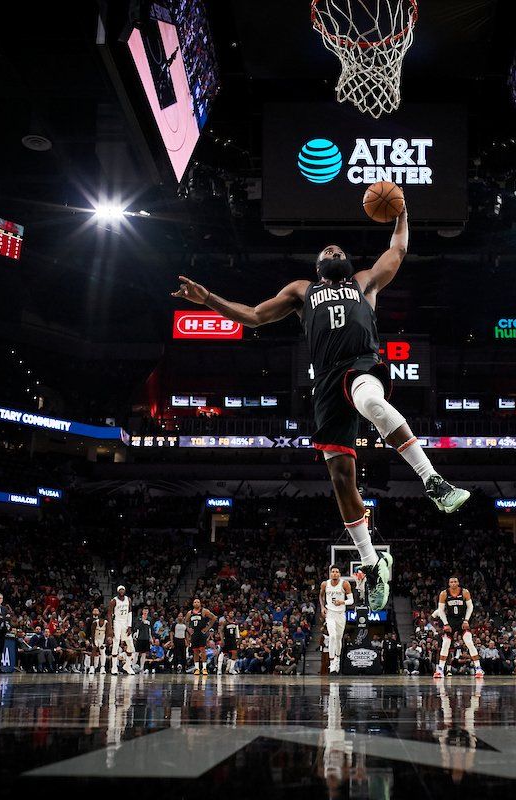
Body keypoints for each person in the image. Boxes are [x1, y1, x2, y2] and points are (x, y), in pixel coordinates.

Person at [171, 208, 470, 611]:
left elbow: (397, 250)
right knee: (342, 478)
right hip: (326, 382)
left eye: (338, 248)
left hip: (362, 365)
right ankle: (372, 561)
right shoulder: (302, 291)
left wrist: (401, 213)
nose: (333, 249)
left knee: (371, 401)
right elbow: (255, 316)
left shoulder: (364, 283)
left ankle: (434, 481)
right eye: (327, 249)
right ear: (318, 266)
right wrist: (208, 299)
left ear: (345, 263)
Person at [432, 576, 484, 678]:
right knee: (446, 643)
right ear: (449, 584)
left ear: (458, 583)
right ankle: (440, 670)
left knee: (469, 642)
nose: (453, 583)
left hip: (462, 619)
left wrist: (466, 620)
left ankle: (478, 669)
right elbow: (440, 610)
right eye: (451, 582)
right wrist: (446, 624)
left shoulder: (465, 592)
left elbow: (470, 607)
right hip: (450, 620)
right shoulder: (444, 593)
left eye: (455, 581)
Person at [320, 566, 353, 674]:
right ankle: (332, 661)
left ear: (339, 574)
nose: (334, 573)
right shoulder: (325, 584)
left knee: (338, 638)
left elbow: (351, 600)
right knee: (332, 636)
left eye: (337, 572)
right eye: (333, 572)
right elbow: (321, 596)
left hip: (340, 614)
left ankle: (337, 658)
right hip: (330, 613)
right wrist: (322, 607)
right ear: (330, 573)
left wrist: (342, 602)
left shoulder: (345, 584)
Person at [106, 585, 134, 675]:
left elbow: (130, 613)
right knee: (116, 642)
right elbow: (109, 614)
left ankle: (128, 665)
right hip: (117, 622)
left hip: (125, 623)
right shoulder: (114, 601)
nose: (122, 591)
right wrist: (110, 628)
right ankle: (114, 667)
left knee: (130, 644)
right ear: (118, 591)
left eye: (123, 589)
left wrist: (129, 626)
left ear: (125, 591)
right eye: (120, 590)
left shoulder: (128, 599)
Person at [188, 598, 217, 675]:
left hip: (202, 633)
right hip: (194, 634)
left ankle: (204, 668)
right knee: (195, 651)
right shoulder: (190, 613)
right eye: (195, 602)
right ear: (193, 604)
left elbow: (214, 618)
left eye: (198, 602)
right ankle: (197, 669)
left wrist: (207, 628)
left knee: (202, 650)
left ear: (200, 604)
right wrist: (189, 629)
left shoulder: (204, 611)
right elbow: (185, 621)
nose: (196, 603)